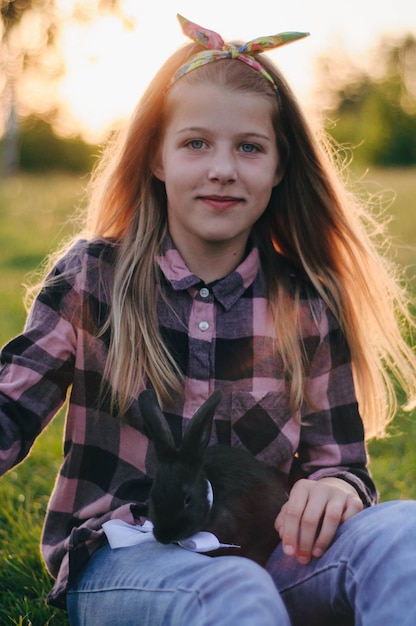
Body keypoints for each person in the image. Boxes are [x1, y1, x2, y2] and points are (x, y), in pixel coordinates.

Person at [1, 13, 416, 625]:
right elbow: (10, 406)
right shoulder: (95, 277)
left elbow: (341, 464)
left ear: (278, 168)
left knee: (405, 533)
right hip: (131, 556)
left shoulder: (306, 301)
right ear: (158, 158)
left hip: (275, 554)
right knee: (228, 593)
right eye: (196, 143)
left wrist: (336, 489)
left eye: (249, 147)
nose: (223, 167)